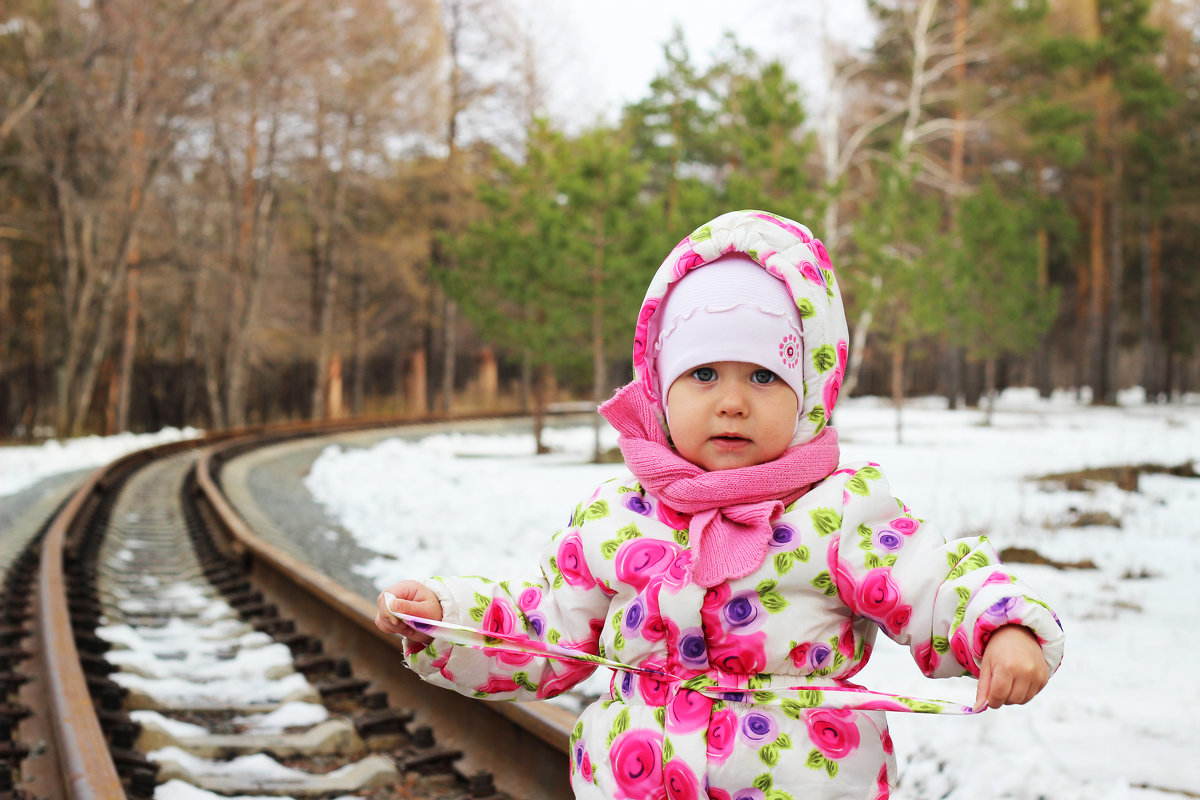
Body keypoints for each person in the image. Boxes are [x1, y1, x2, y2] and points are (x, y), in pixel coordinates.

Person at [375, 209, 1064, 799]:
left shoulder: (838, 512)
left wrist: (998, 626)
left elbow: (931, 583)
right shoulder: (619, 517)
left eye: (763, 376)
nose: (731, 401)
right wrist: (452, 620)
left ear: (810, 390)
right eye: (703, 374)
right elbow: (546, 627)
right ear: (659, 383)